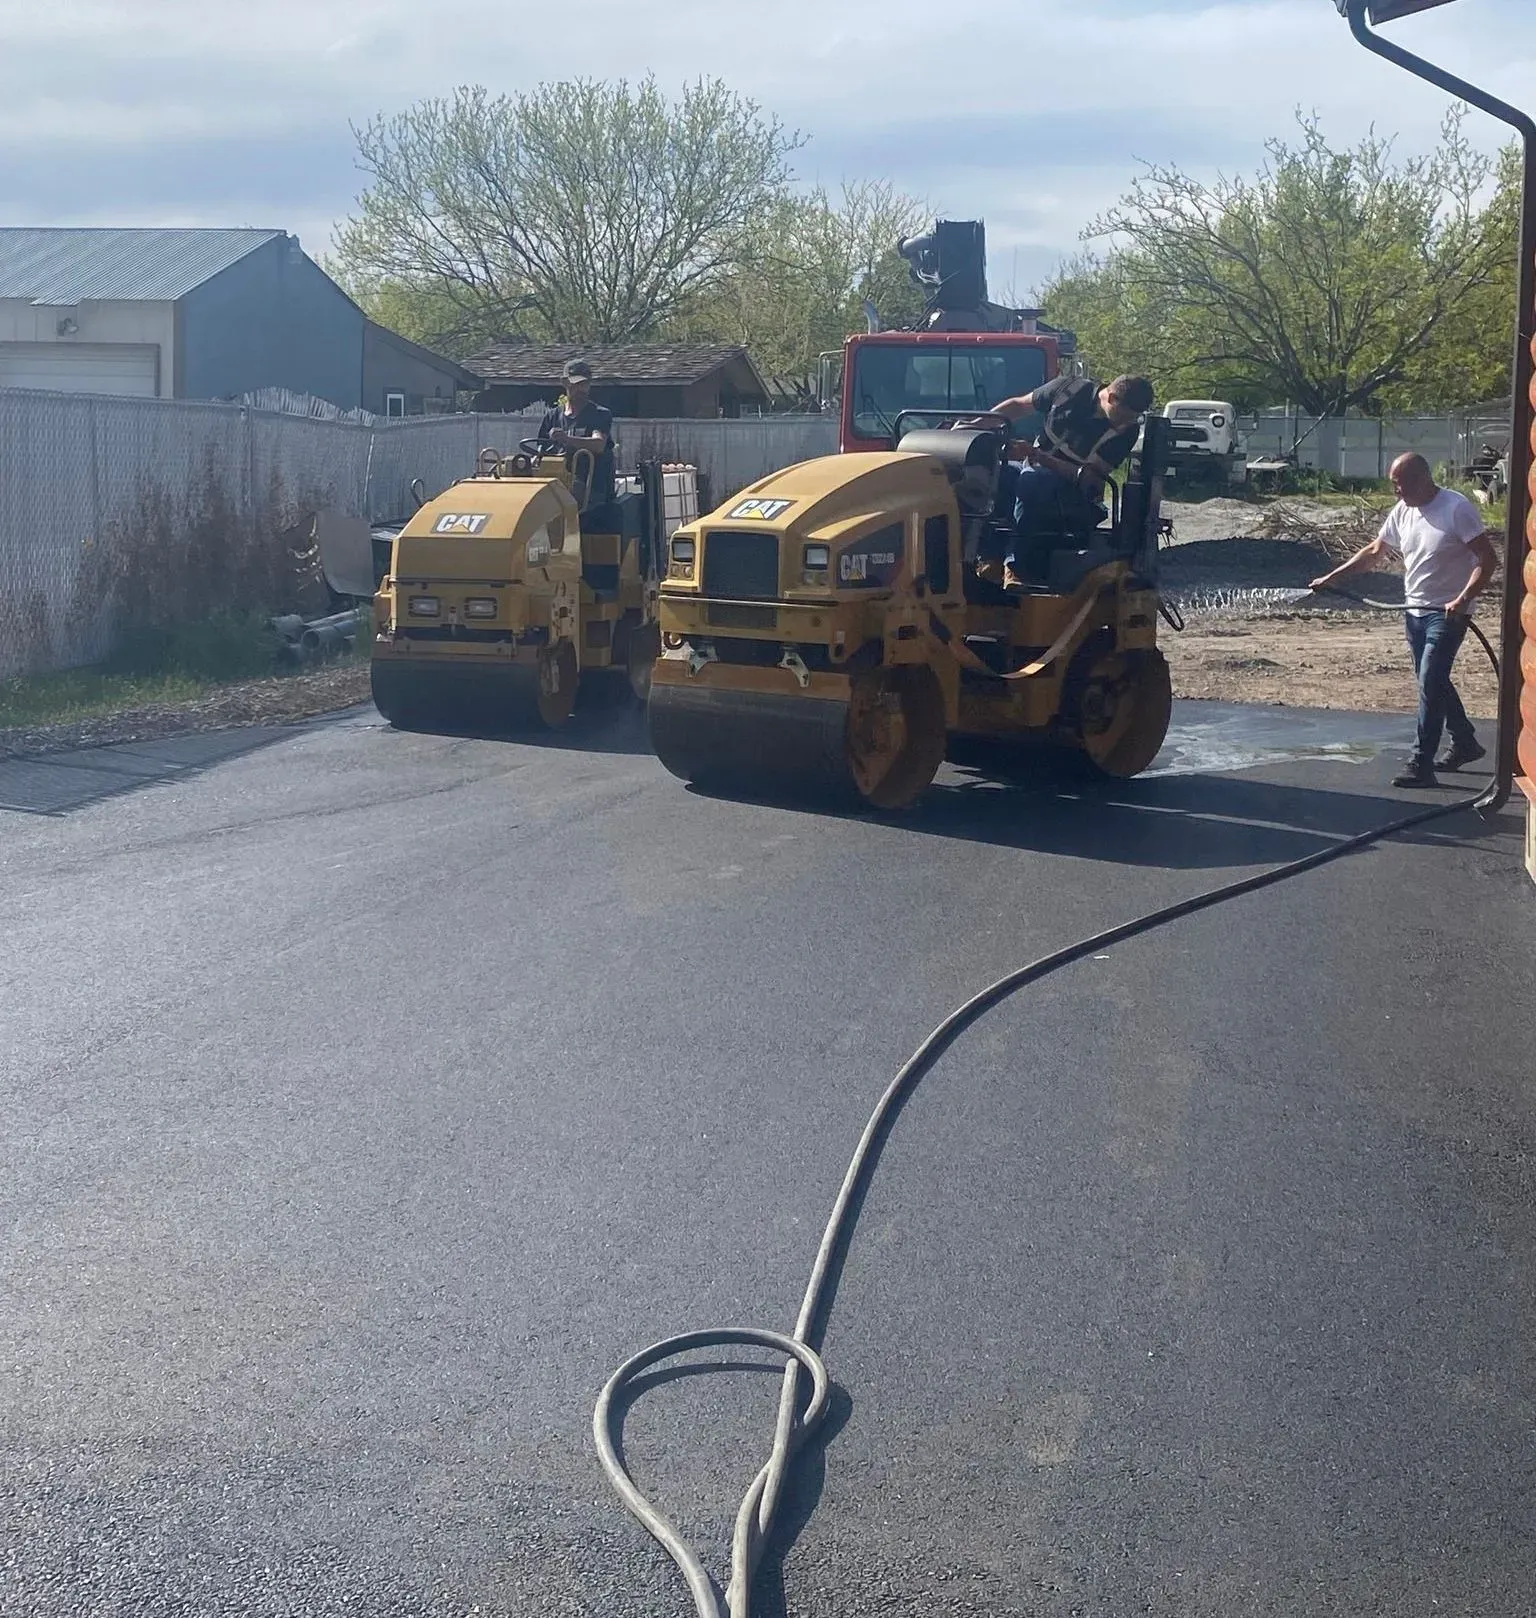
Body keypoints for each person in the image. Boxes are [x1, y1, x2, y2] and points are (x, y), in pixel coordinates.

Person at [1309, 452, 1498, 788]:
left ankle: (1420, 763)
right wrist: (1332, 578)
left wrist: (1463, 598)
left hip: (1447, 613)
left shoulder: (1456, 508)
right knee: (1433, 681)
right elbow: (1374, 552)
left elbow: (1487, 558)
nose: (1395, 490)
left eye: (1400, 484)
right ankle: (1465, 741)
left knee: (1430, 680)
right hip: (1414, 613)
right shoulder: (1403, 511)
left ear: (1422, 479)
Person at [969, 374, 1155, 590]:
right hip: (1033, 469)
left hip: (1076, 493)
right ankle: (985, 558)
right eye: (1125, 415)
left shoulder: (1126, 432)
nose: (1128, 421)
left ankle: (1017, 568)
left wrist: (1038, 456)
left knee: (1032, 481)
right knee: (991, 473)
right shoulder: (1069, 389)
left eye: (1133, 417)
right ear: (1112, 398)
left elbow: (1089, 477)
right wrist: (973, 426)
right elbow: (1019, 406)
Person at [538, 359, 617, 522]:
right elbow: (540, 449)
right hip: (556, 484)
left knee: (566, 497)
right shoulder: (552, 417)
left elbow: (599, 444)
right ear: (565, 383)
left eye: (585, 384)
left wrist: (567, 439)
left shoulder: (599, 414)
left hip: (590, 488)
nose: (581, 389)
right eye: (576, 384)